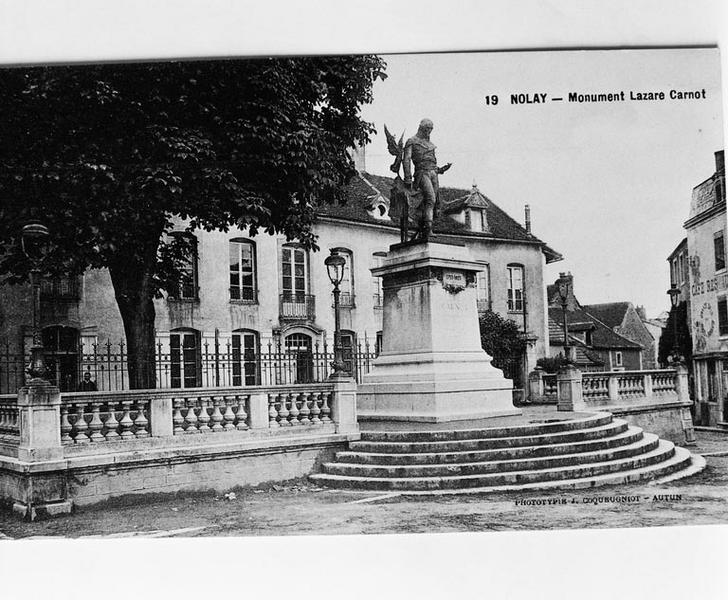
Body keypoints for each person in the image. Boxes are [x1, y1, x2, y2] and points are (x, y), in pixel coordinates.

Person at [402, 118, 452, 241]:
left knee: (433, 203)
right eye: (427, 129)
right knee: (431, 198)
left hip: (434, 173)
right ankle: (428, 229)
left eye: (431, 130)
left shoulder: (431, 145)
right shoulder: (412, 141)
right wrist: (407, 177)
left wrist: (442, 169)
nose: (429, 132)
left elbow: (432, 162)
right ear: (421, 128)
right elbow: (406, 159)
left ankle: (425, 227)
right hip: (422, 173)